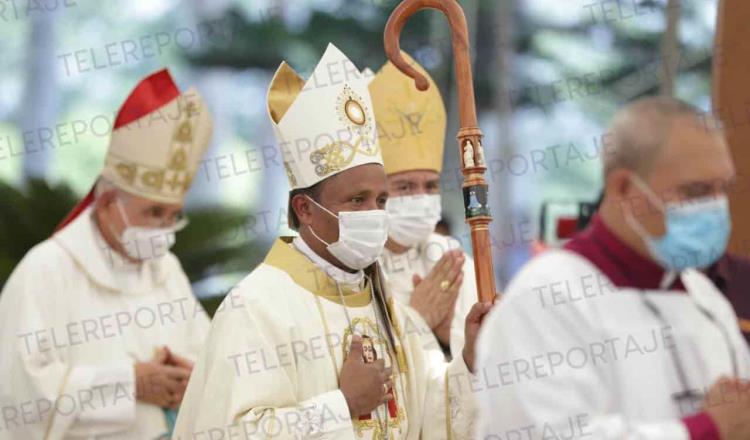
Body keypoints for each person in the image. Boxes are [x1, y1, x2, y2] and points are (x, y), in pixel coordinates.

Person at [172, 43, 491, 439]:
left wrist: (470, 362)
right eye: (357, 200)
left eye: (381, 200)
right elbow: (228, 432)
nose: (374, 214)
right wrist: (342, 406)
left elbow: (428, 412)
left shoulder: (382, 303)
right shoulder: (255, 308)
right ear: (305, 209)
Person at [476, 97, 750, 439]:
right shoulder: (545, 298)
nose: (715, 206)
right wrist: (705, 430)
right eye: (696, 191)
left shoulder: (705, 299)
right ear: (624, 188)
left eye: (721, 189)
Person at [0, 69, 213, 439]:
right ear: (108, 203)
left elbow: (208, 356)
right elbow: (18, 394)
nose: (164, 229)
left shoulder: (167, 269)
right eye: (153, 213)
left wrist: (190, 377)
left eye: (173, 214)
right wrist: (129, 383)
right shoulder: (46, 269)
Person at [369, 53, 477, 358]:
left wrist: (447, 336)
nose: (421, 197)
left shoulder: (451, 259)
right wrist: (418, 320)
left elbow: (496, 357)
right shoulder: (356, 266)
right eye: (404, 186)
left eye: (430, 186)